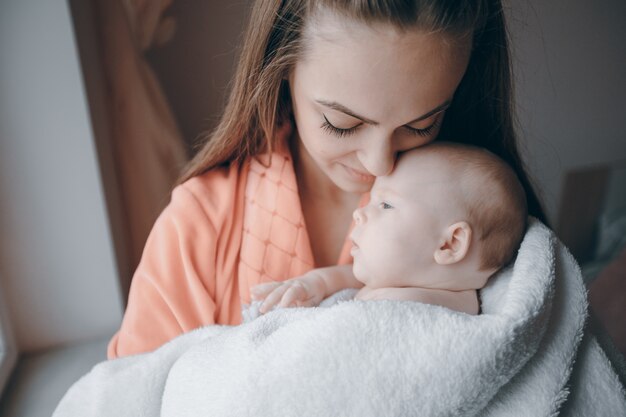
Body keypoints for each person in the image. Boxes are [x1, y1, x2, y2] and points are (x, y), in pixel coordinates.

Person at [107, 0, 546, 359]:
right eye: (340, 123)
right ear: (280, 73)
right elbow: (129, 395)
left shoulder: (484, 216)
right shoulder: (198, 226)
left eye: (421, 124)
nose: (378, 164)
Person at [249, 142, 527, 316]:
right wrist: (314, 283)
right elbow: (345, 278)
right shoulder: (394, 282)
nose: (359, 213)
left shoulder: (445, 313)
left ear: (450, 244)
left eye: (385, 205)